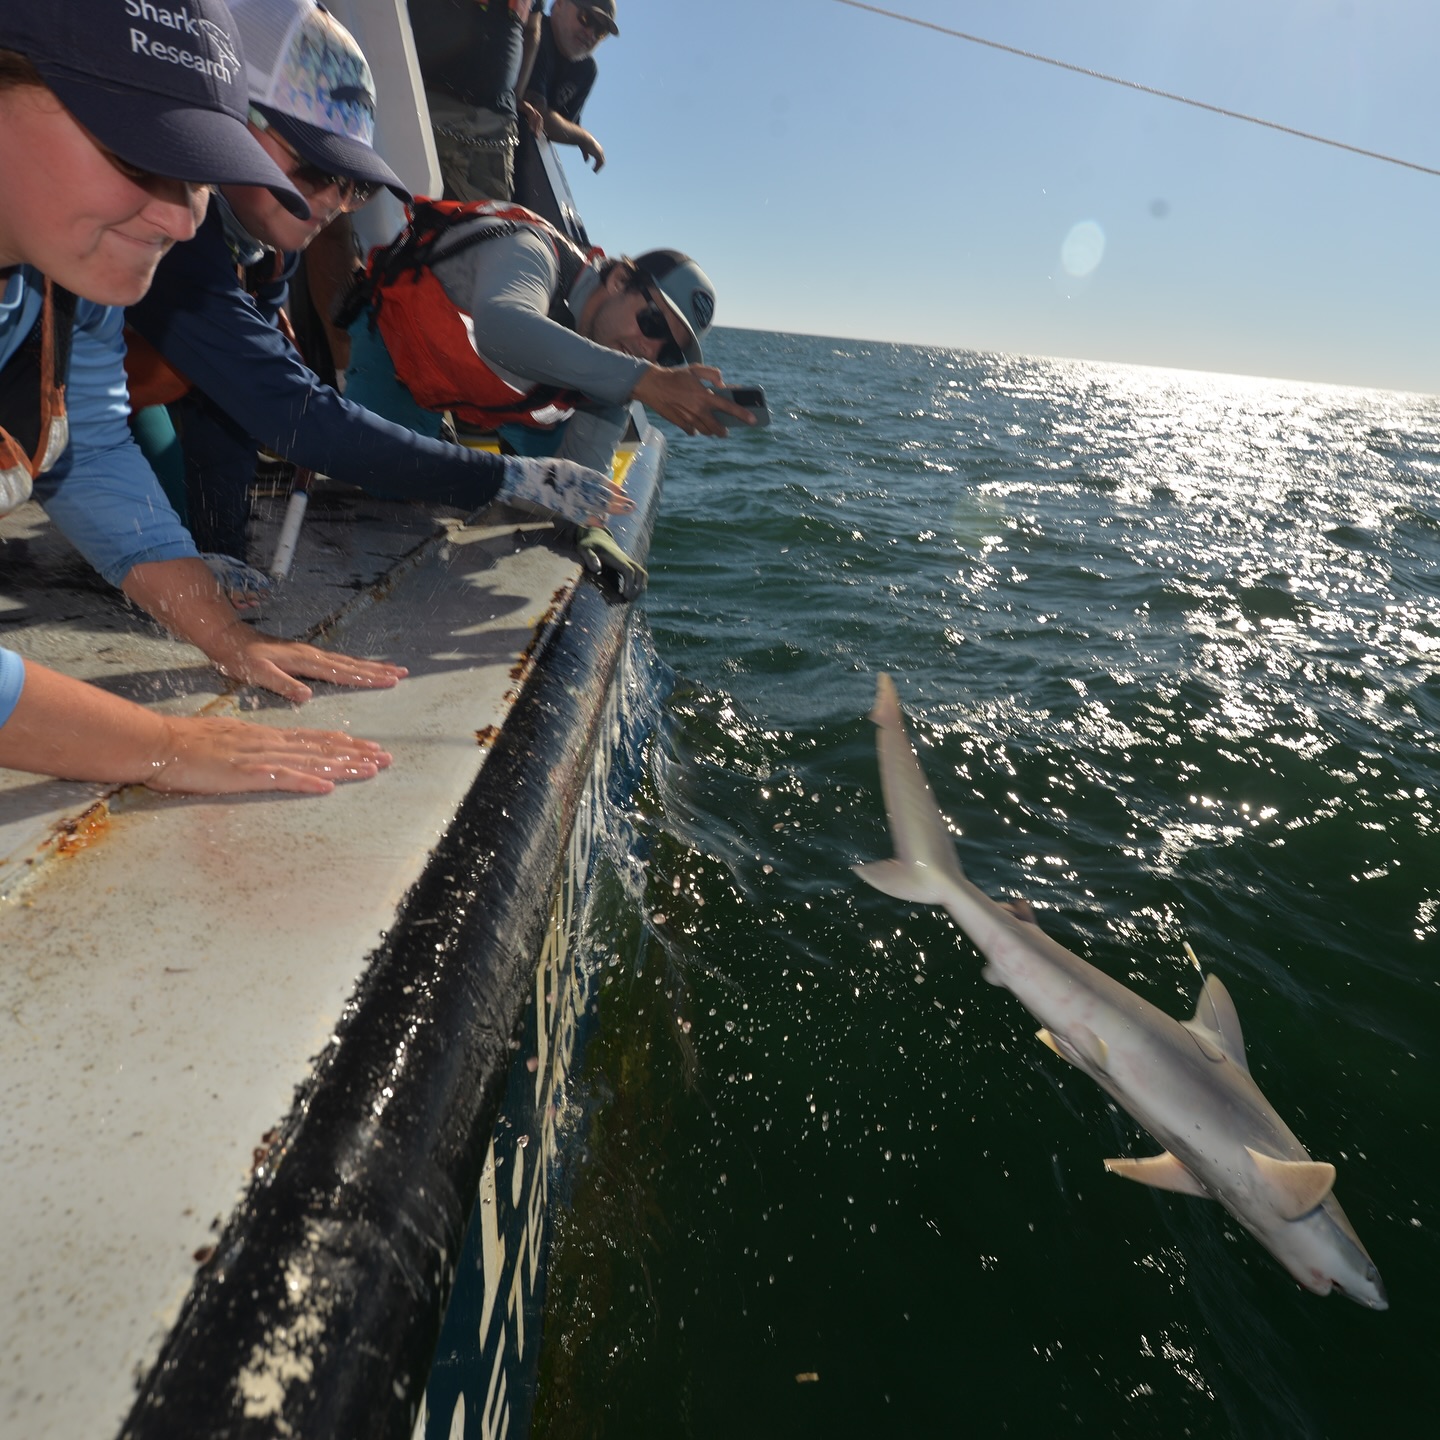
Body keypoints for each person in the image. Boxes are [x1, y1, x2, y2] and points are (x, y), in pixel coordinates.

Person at [0, 0, 393, 795]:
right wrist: (162, 746)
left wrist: (228, 639)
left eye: (199, 169)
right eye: (136, 154)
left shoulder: (68, 281)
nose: (182, 219)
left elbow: (94, 448)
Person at [126, 0, 627, 579]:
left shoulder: (266, 248)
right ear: (234, 120)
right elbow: (296, 416)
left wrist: (222, 552)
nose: (335, 204)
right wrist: (504, 476)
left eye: (355, 184)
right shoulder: (176, 228)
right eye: (316, 170)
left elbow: (236, 415)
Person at [342, 196, 755, 597]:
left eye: (667, 353)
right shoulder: (529, 249)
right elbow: (502, 328)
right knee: (387, 485)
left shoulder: (618, 368)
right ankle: (438, 440)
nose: (650, 351)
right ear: (619, 280)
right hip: (401, 353)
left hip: (498, 397)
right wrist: (644, 379)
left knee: (555, 502)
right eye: (652, 323)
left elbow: (585, 469)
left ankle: (449, 442)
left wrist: (593, 526)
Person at [409, 0, 543, 204]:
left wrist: (516, 95)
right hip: (429, 106)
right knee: (402, 219)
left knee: (485, 230)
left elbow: (532, 30)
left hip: (495, 127)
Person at [525, 0, 616, 174]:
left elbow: (563, 127)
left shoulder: (587, 70)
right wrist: (584, 138)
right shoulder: (535, 32)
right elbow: (537, 116)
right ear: (559, 4)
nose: (590, 33)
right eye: (585, 18)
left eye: (601, 31)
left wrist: (574, 134)